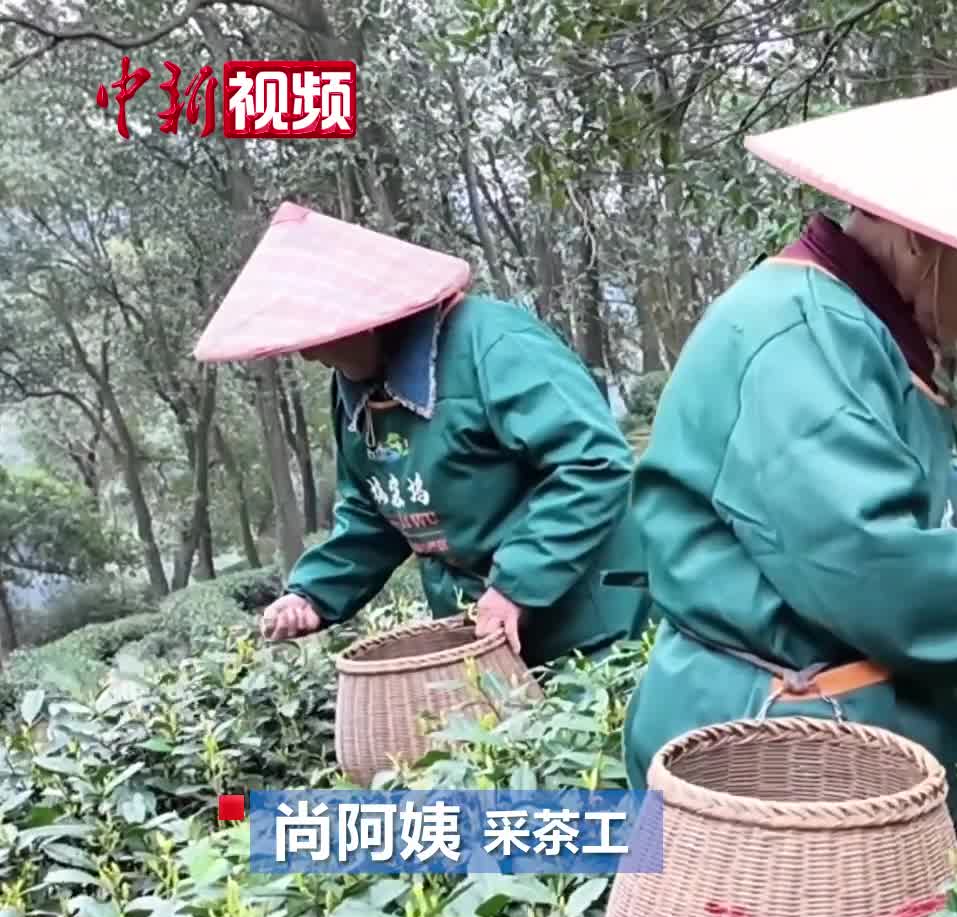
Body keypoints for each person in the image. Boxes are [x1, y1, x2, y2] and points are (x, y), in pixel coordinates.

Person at [619, 77, 957, 824]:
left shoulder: (865, 334)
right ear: (918, 235)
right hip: (770, 764)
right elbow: (878, 573)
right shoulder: (793, 334)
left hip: (835, 741)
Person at [191, 202, 651, 670]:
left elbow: (592, 464)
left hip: (588, 617)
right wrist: (312, 593)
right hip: (480, 631)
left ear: (369, 316)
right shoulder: (353, 385)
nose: (310, 356)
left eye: (315, 337)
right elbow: (374, 515)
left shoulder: (494, 345)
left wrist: (515, 584)